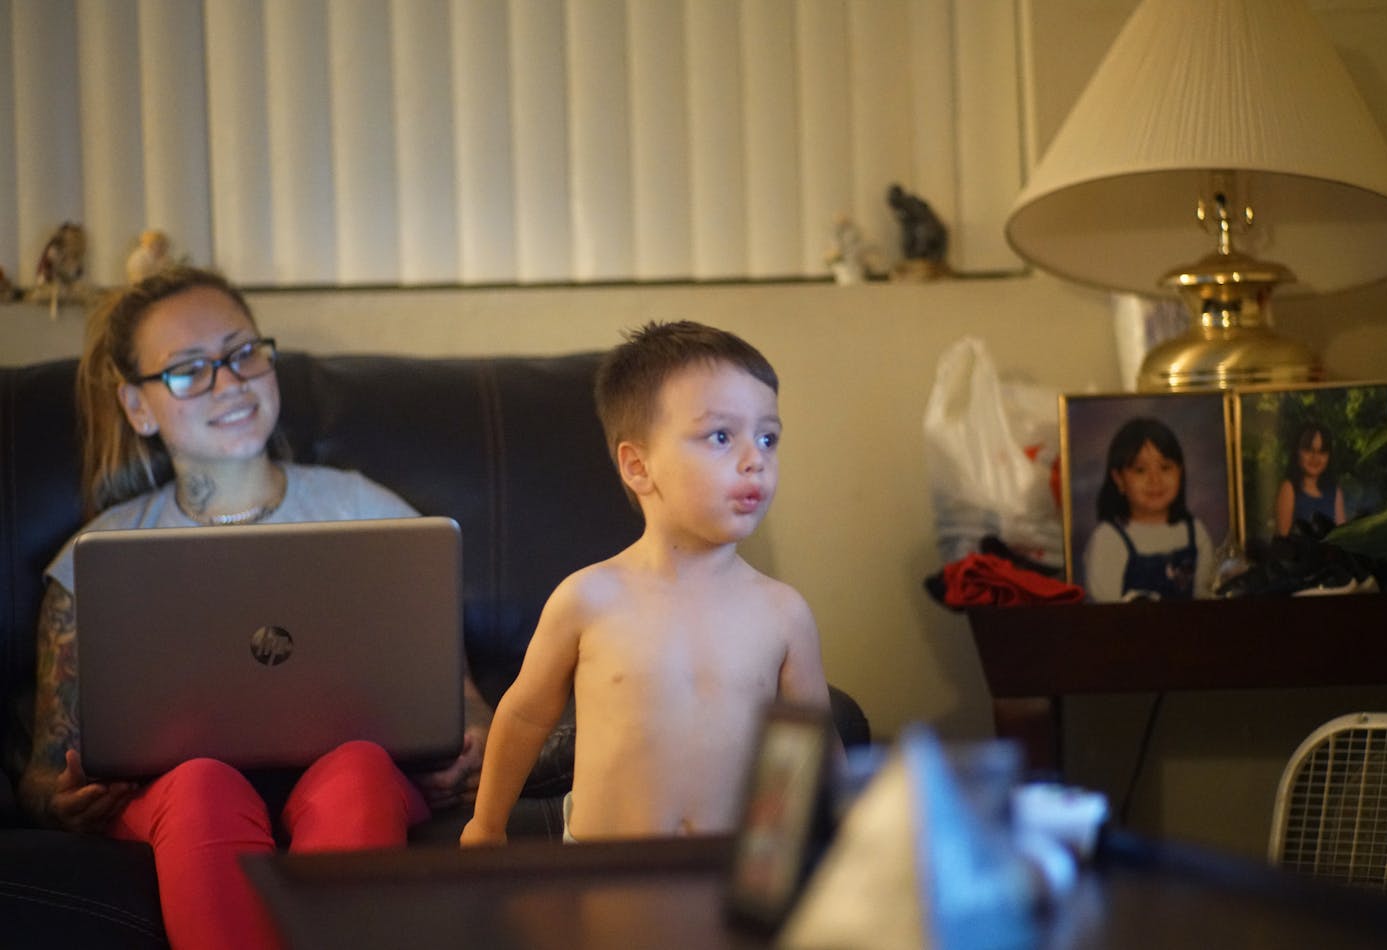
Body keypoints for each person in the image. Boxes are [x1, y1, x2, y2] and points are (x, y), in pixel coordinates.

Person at [17, 266, 491, 950]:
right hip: (178, 798)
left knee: (355, 771)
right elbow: (42, 770)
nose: (230, 382)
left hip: (361, 773)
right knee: (201, 784)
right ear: (138, 406)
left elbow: (464, 702)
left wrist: (473, 747)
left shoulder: (366, 510)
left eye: (244, 354)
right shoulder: (98, 555)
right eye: (188, 371)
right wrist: (58, 801)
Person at [460, 320, 839, 845]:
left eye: (768, 437)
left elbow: (812, 743)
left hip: (730, 872)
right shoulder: (589, 598)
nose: (755, 460)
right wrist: (486, 824)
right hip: (605, 874)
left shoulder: (783, 612)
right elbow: (524, 717)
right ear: (638, 467)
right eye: (722, 436)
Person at [1082, 417, 1216, 602]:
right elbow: (1105, 613)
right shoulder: (1107, 539)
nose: (1155, 480)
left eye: (1165, 468)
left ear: (1181, 471)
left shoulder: (1195, 532)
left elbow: (1207, 598)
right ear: (1119, 479)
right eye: (1140, 470)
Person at [1275, 420, 1347, 536]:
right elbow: (1283, 539)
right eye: (1309, 450)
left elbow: (1343, 538)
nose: (1315, 457)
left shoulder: (1334, 491)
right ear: (1297, 452)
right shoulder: (1289, 488)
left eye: (1322, 452)